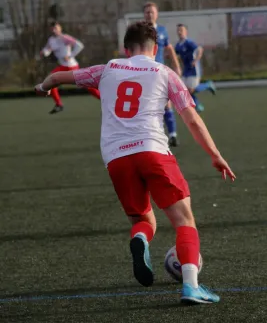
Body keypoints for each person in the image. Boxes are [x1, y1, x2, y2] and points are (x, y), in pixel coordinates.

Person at [35, 21, 235, 305]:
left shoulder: (106, 69)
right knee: (184, 221)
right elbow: (191, 119)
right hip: (153, 152)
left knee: (143, 219)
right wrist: (215, 155)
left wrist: (42, 86)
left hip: (116, 158)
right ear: (155, 49)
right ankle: (191, 286)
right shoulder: (164, 72)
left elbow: (57, 78)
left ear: (126, 50)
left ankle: (141, 239)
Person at [39, 21, 100, 114]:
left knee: (88, 86)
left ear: (60, 28)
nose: (54, 30)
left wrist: (70, 56)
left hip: (72, 67)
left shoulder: (64, 38)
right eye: (52, 29)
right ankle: (59, 104)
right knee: (50, 81)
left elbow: (79, 46)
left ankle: (107, 101)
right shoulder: (51, 40)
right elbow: (47, 49)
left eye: (56, 28)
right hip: (62, 67)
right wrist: (44, 52)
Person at [144, 2, 181, 147]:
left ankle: (172, 135)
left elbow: (169, 48)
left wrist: (176, 65)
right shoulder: (140, 31)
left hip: (159, 72)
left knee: (166, 103)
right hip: (143, 72)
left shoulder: (162, 30)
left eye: (152, 12)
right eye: (147, 12)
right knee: (146, 105)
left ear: (157, 14)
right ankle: (150, 136)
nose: (150, 14)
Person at [175, 24, 216, 113]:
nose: (179, 32)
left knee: (191, 90)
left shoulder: (189, 42)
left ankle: (208, 85)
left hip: (194, 69)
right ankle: (198, 105)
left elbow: (200, 49)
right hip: (186, 70)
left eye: (181, 30)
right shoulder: (178, 45)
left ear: (186, 32)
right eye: (178, 30)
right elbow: (175, 55)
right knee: (184, 90)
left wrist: (196, 60)